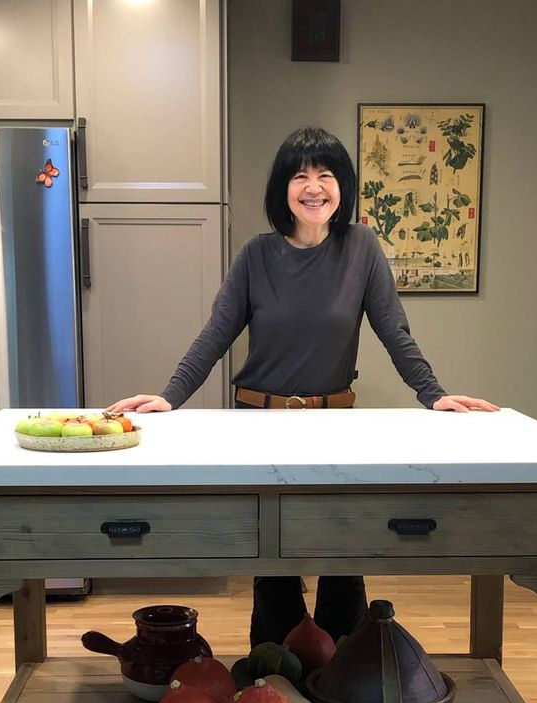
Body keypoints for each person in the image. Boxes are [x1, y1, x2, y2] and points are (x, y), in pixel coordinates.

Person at [107, 127, 499, 648]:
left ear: (342, 187)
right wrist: (170, 394)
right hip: (258, 423)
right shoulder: (256, 255)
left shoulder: (362, 248)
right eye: (300, 176)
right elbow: (216, 333)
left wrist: (434, 393)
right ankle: (271, 675)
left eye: (326, 175)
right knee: (273, 560)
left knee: (342, 549)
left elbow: (393, 330)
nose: (314, 187)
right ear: (283, 190)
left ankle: (349, 673)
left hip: (333, 424)